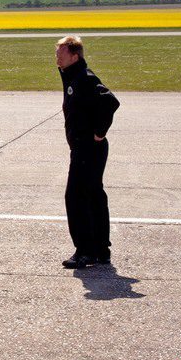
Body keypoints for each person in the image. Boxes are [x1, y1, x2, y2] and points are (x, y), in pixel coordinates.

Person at [56, 35, 120, 270]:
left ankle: (84, 251)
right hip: (85, 149)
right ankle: (101, 250)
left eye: (61, 55)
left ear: (74, 56)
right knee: (93, 196)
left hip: (88, 149)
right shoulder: (74, 76)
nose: (57, 59)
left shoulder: (84, 78)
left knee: (76, 197)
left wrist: (99, 132)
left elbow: (111, 102)